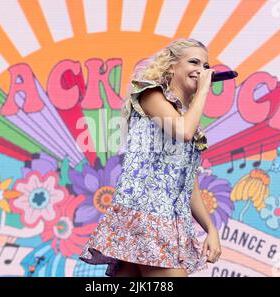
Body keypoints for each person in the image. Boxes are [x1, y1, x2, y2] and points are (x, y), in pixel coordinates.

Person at [79, 38, 221, 277]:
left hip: (169, 222)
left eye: (206, 66)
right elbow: (183, 131)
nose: (201, 70)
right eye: (194, 62)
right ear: (172, 66)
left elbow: (186, 185)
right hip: (145, 216)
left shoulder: (188, 118)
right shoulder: (151, 94)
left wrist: (210, 229)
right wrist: (204, 90)